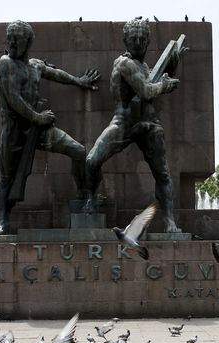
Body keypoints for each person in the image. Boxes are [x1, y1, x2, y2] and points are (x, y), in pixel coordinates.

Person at [0, 20, 100, 235]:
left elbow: (55, 74)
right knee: (7, 178)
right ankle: (3, 222)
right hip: (15, 132)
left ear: (28, 42)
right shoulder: (5, 63)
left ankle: (84, 194)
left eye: (17, 39)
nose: (11, 43)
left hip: (39, 129)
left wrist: (79, 81)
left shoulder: (35, 65)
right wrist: (38, 117)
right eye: (9, 38)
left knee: (78, 151)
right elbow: (13, 98)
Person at [84, 17, 184, 233]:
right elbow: (148, 91)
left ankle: (169, 221)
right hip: (124, 122)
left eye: (142, 38)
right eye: (133, 38)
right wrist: (164, 86)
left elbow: (155, 84)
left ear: (147, 41)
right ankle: (90, 198)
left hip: (148, 123)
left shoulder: (145, 66)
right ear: (125, 40)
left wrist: (172, 63)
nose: (137, 42)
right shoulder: (124, 63)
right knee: (92, 161)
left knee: (163, 174)